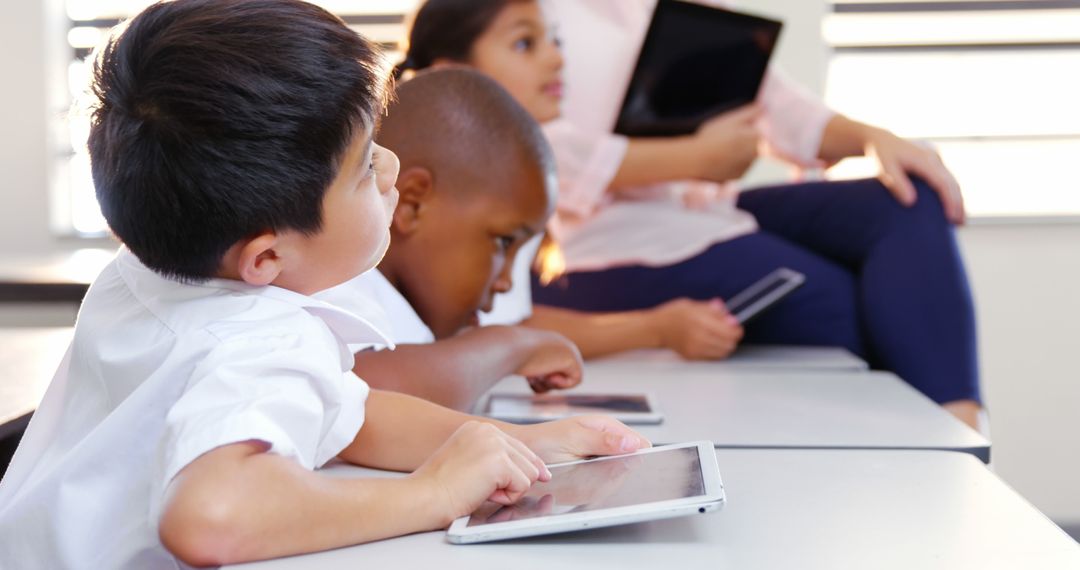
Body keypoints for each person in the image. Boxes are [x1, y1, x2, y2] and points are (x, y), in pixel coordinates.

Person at [0, 2, 649, 567]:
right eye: (366, 166)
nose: (392, 168)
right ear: (265, 257)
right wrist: (431, 495)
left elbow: (347, 413)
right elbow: (208, 518)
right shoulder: (262, 341)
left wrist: (522, 448)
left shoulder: (142, 275)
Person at [397, 0, 983, 429]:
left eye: (552, 42)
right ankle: (927, 454)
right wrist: (692, 158)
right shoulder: (478, 128)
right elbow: (541, 153)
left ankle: (959, 432)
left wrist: (871, 136)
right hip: (620, 237)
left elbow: (779, 103)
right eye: (533, 44)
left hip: (701, 210)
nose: (556, 59)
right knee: (841, 302)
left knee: (904, 200)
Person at [316, 68, 585, 411]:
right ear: (413, 204)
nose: (505, 282)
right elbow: (371, 394)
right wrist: (511, 346)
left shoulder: (406, 314)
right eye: (504, 242)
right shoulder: (339, 281)